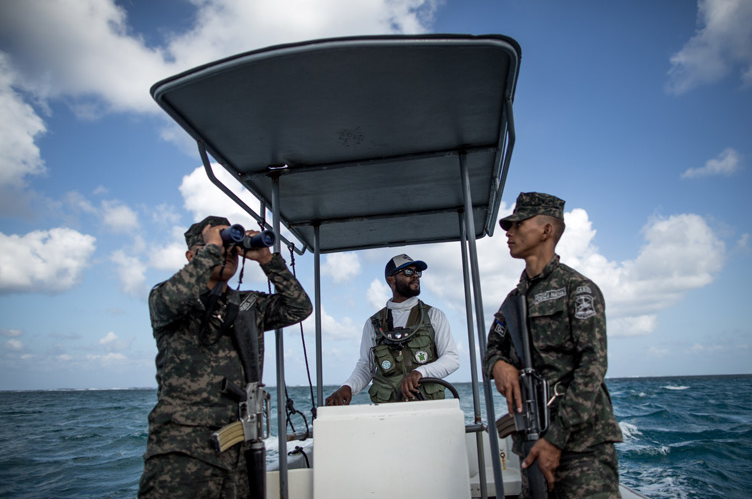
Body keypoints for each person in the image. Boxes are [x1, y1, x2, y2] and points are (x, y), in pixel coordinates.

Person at [138, 216, 312, 498]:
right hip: (182, 458)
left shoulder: (247, 306)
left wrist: (268, 260)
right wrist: (212, 249)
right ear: (193, 255)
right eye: (217, 248)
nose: (226, 254)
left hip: (238, 455)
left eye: (231, 248)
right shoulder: (169, 299)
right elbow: (172, 299)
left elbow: (299, 307)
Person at [484, 193, 623, 498]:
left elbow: (592, 367)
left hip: (582, 449)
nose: (509, 232)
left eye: (519, 224)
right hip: (532, 444)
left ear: (546, 230)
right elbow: (491, 348)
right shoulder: (513, 301)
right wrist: (498, 364)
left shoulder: (578, 289)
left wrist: (556, 440)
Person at [325, 254, 459, 405]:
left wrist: (421, 372)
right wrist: (347, 387)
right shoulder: (373, 323)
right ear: (391, 279)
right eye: (408, 272)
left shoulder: (434, 315)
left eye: (417, 272)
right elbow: (365, 367)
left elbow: (451, 359)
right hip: (387, 410)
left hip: (427, 405)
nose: (415, 276)